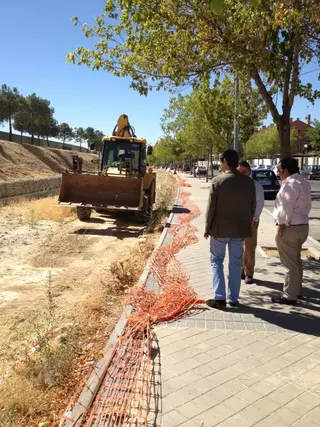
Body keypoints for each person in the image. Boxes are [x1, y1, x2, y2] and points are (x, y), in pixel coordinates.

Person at [204, 150, 256, 308]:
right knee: (235, 263)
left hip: (219, 230)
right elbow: (252, 207)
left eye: (220, 161)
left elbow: (211, 208)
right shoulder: (248, 182)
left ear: (225, 161)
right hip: (239, 230)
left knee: (216, 261)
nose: (220, 164)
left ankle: (219, 297)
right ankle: (233, 299)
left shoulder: (218, 181)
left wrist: (207, 227)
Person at [272, 158, 312, 305]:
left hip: (290, 228)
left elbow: (285, 209)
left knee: (290, 264)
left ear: (286, 171)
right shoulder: (304, 182)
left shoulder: (289, 184)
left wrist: (281, 228)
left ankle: (290, 295)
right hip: (303, 226)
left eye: (279, 170)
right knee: (296, 261)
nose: (278, 173)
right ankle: (296, 290)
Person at [237, 160, 264, 284]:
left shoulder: (256, 186)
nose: (241, 174)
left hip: (251, 221)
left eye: (244, 172)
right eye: (239, 172)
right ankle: (239, 271)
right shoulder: (234, 185)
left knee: (249, 248)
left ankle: (249, 274)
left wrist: (255, 218)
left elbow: (260, 203)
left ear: (249, 172)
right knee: (236, 248)